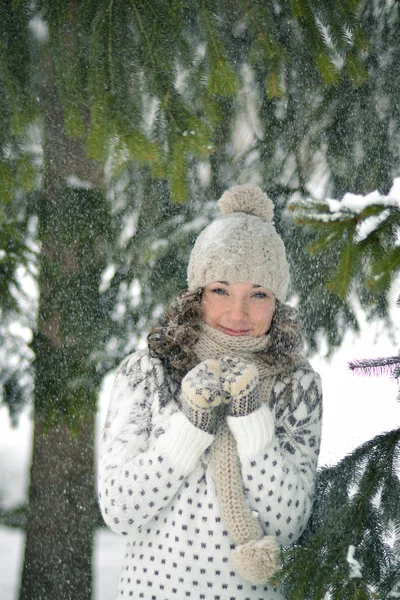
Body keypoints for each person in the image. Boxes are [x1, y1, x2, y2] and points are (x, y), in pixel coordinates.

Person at [98, 184, 323, 600]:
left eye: (257, 294)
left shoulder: (297, 384)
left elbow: (289, 524)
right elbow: (119, 510)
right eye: (221, 290)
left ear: (277, 301)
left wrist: (249, 417)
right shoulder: (149, 370)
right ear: (198, 292)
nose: (237, 314)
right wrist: (191, 427)